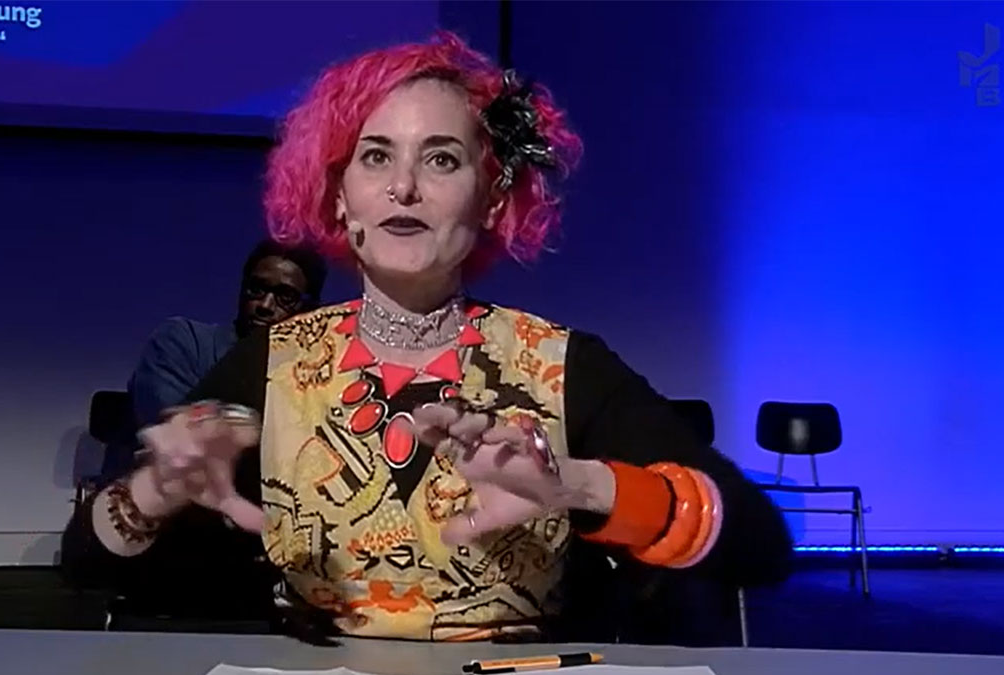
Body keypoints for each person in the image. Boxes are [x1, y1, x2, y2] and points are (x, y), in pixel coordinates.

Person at [65, 33, 791, 644]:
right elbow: (86, 569)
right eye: (376, 156)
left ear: (493, 197)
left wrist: (578, 485)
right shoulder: (276, 362)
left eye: (441, 158)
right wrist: (153, 493)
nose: (404, 187)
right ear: (339, 194)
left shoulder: (563, 364)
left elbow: (761, 545)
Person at [127, 239, 328, 429]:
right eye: (256, 289)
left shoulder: (319, 379)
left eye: (286, 297)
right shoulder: (184, 342)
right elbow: (174, 432)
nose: (265, 305)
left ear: (310, 309)